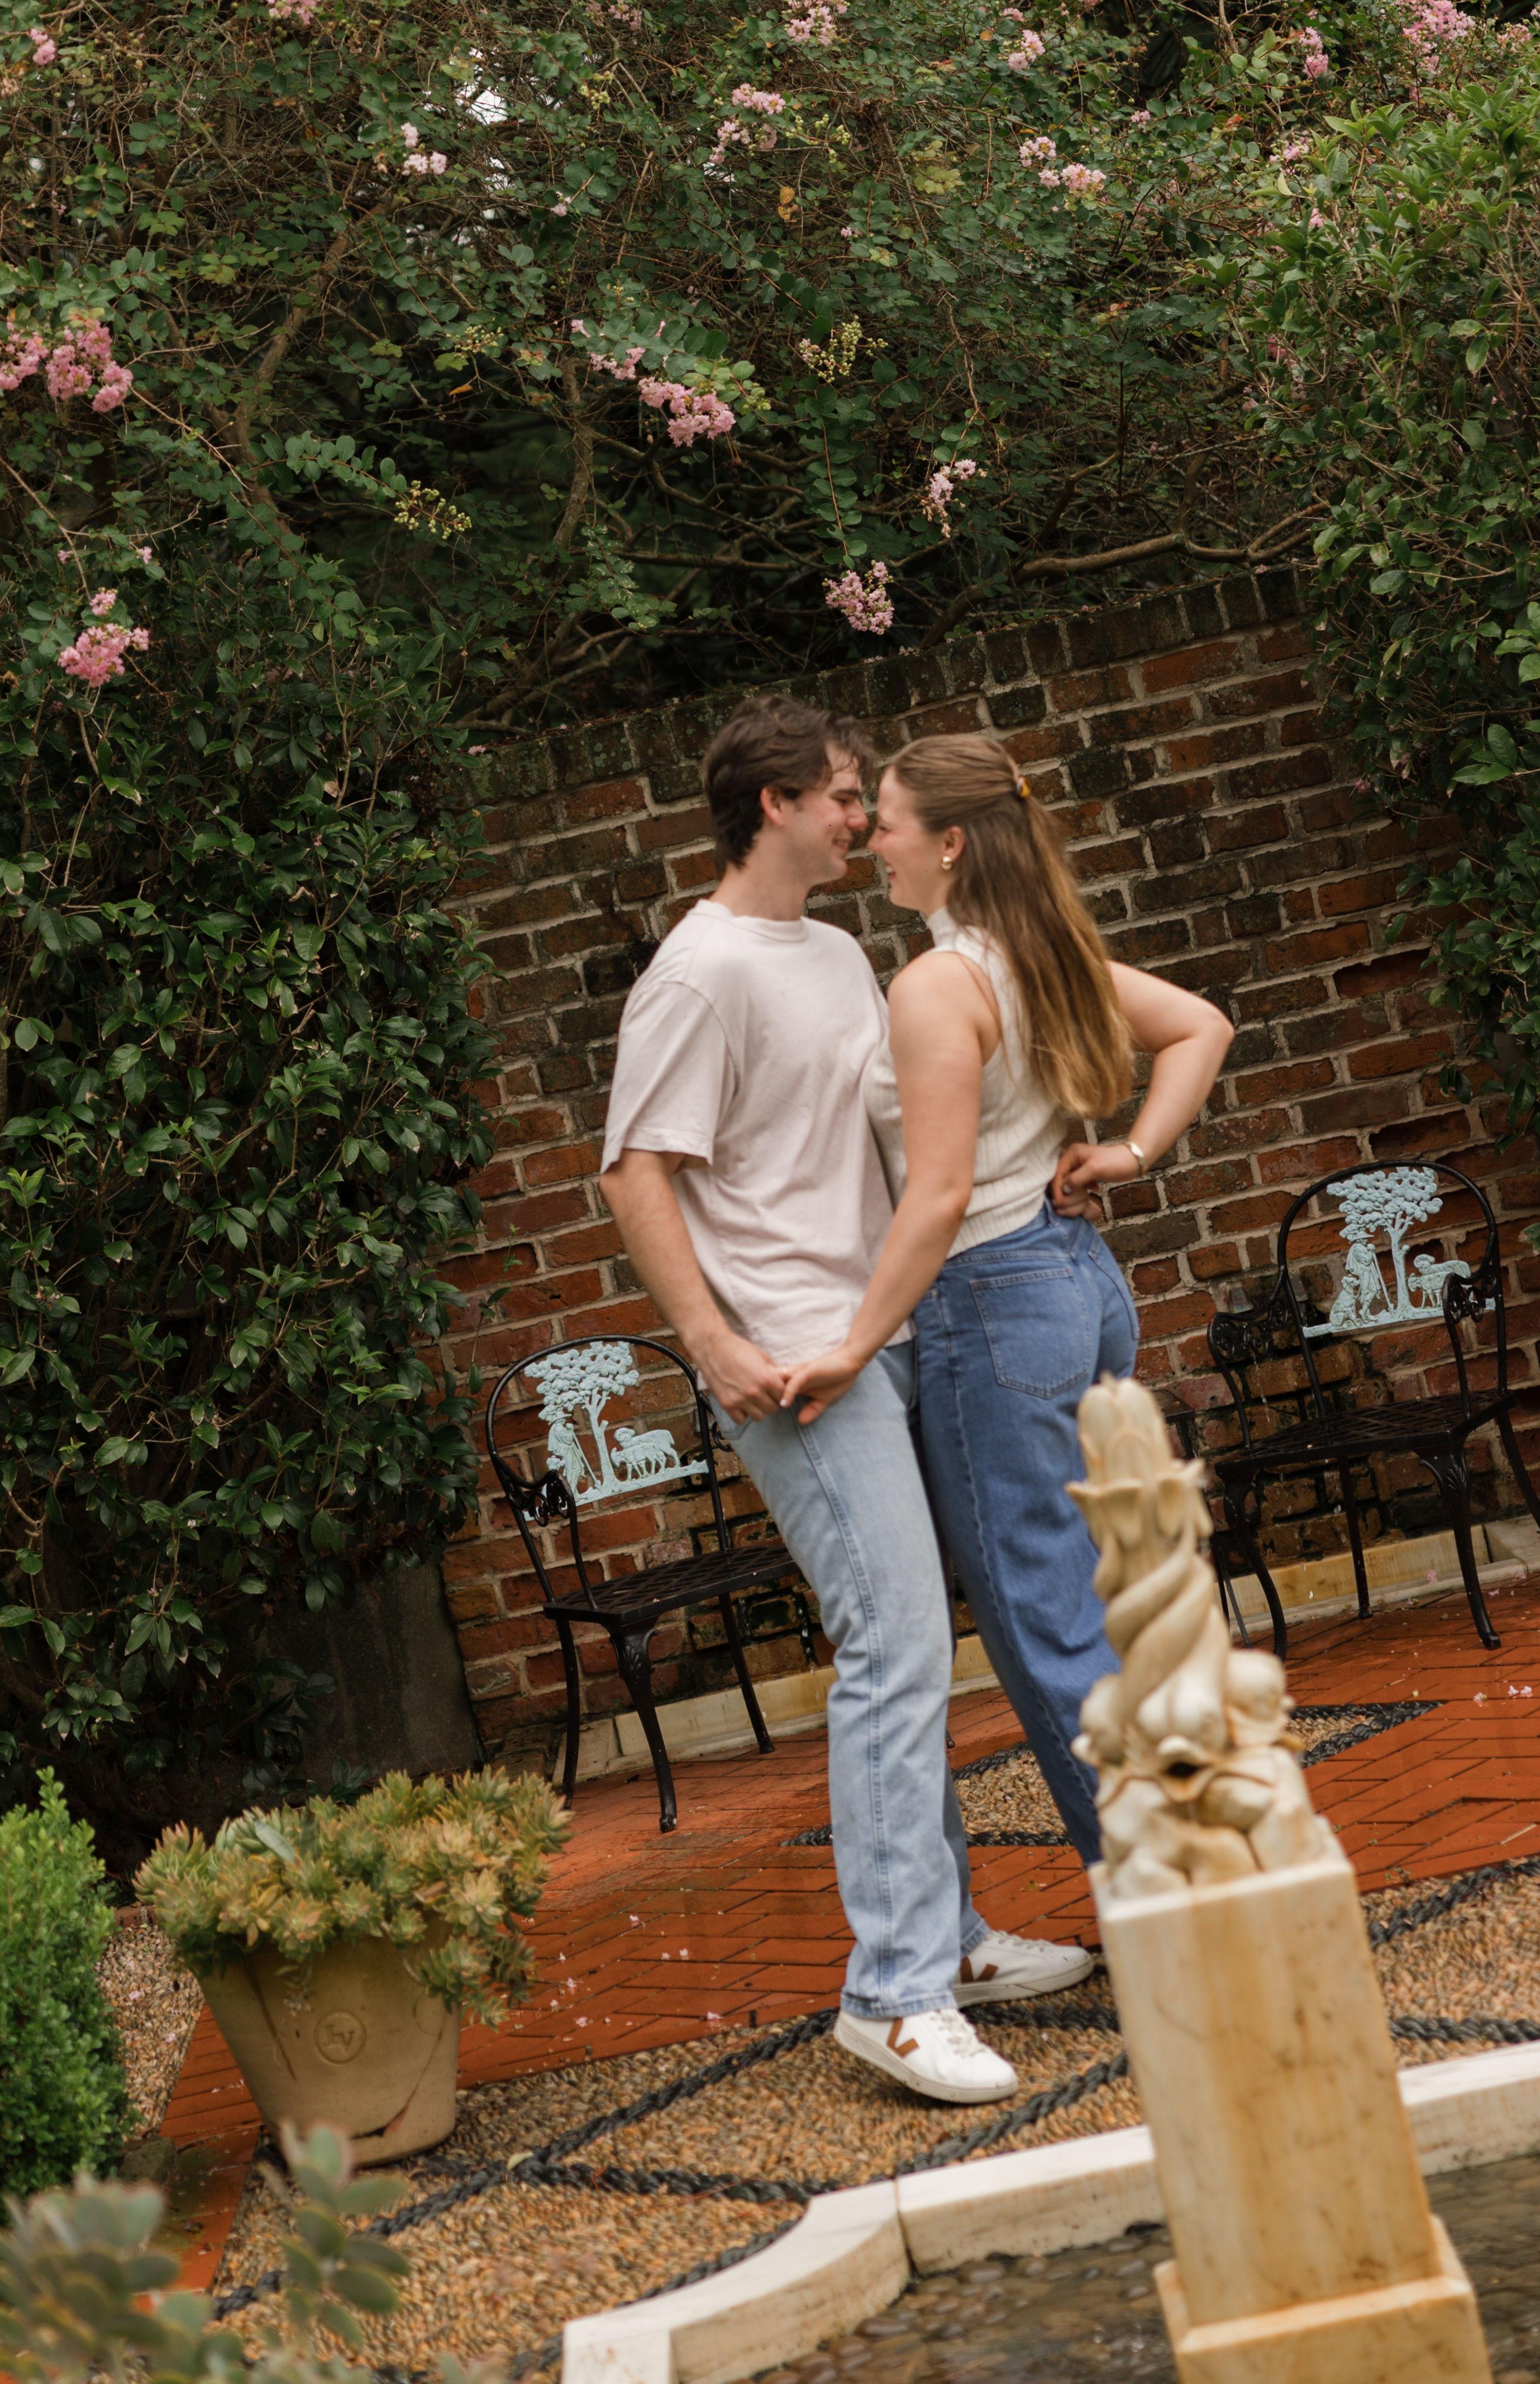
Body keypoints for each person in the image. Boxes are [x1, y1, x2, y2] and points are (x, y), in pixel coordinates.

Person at [595, 694, 1096, 2105]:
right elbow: (634, 1171)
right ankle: (893, 1993)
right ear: (774, 806)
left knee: (915, 1642)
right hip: (795, 1360)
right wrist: (712, 1343)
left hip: (882, 1333)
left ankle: (950, 1938)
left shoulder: (830, 949)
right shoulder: (698, 974)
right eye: (841, 794)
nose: (864, 817)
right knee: (895, 1643)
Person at [781, 731, 1236, 1867]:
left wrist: (855, 1345)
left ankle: (1163, 1889)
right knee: (1117, 1593)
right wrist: (1130, 1152)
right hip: (1076, 1281)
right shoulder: (1038, 949)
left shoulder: (939, 983)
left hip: (992, 1301)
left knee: (1047, 1620)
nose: (871, 842)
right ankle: (1205, 1848)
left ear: (950, 843)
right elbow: (1202, 1026)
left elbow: (938, 1196)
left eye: (888, 823)